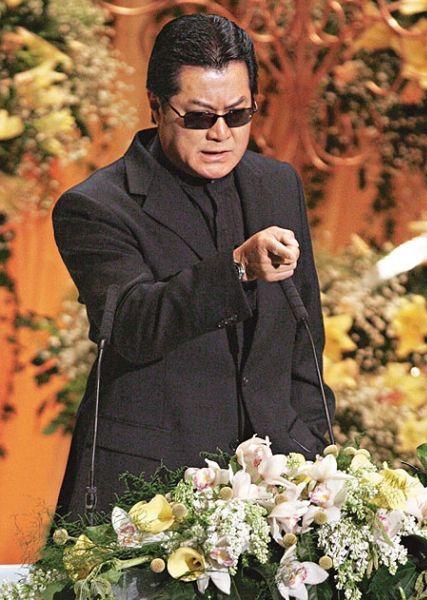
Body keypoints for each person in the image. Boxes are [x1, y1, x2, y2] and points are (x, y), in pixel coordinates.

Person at [52, 13, 335, 520]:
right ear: (157, 106)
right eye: (200, 117)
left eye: (239, 115)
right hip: (149, 489)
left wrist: (312, 449)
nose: (221, 134)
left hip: (276, 486)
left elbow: (304, 336)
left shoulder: (277, 184)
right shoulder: (96, 206)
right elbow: (133, 324)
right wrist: (237, 269)